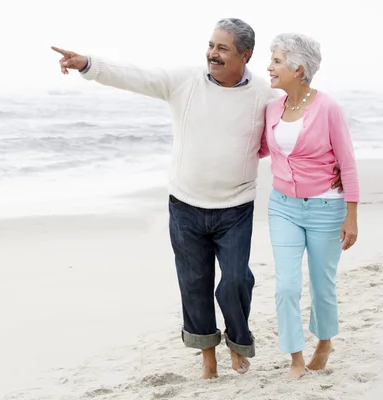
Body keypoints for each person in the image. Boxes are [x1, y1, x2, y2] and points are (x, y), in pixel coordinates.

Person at [51, 19, 342, 379]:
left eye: (222, 48)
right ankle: (208, 358)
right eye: (211, 45)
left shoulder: (264, 96)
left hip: (235, 207)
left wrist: (335, 166)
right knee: (194, 282)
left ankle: (238, 342)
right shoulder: (184, 81)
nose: (212, 54)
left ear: (245, 55)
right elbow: (136, 76)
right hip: (186, 204)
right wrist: (88, 64)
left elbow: (301, 121)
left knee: (235, 281)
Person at [264, 32, 359, 380]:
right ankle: (295, 359)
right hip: (283, 207)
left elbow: (347, 163)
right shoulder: (273, 108)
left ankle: (324, 342)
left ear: (297, 67)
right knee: (286, 285)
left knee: (322, 283)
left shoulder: (328, 107)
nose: (269, 67)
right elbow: (261, 148)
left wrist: (351, 215)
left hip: (326, 209)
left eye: (275, 61)